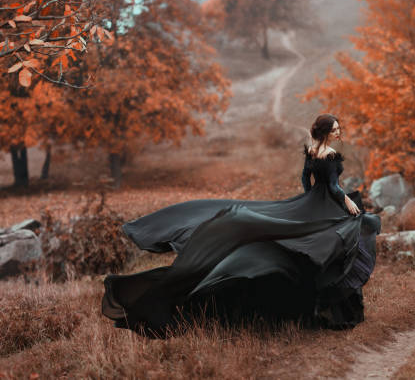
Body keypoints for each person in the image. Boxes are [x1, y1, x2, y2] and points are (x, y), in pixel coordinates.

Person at [101, 113, 381, 337]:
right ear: (326, 131)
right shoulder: (330, 155)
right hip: (327, 203)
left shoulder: (310, 151)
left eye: (338, 128)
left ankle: (314, 311)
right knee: (347, 237)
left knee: (318, 247)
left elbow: (305, 180)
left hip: (309, 202)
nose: (338, 131)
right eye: (335, 128)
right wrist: (347, 202)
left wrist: (305, 202)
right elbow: (332, 187)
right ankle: (336, 313)